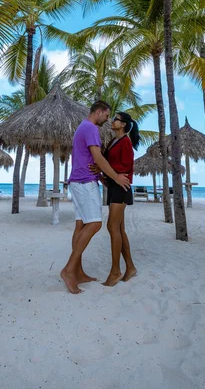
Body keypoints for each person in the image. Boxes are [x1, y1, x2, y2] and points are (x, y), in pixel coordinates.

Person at [60, 100, 131, 294]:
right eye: (107, 115)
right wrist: (115, 176)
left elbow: (87, 158)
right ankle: (68, 270)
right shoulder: (91, 128)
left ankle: (78, 271)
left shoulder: (83, 127)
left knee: (81, 224)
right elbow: (97, 157)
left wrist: (101, 176)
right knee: (95, 224)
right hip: (84, 182)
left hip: (78, 180)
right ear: (99, 112)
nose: (108, 119)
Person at [95, 112, 139, 287]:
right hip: (114, 185)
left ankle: (115, 271)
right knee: (119, 229)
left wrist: (104, 169)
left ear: (123, 125)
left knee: (112, 227)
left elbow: (126, 165)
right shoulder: (114, 141)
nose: (112, 121)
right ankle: (130, 267)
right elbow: (107, 162)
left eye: (116, 120)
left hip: (122, 186)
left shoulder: (126, 141)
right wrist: (103, 175)